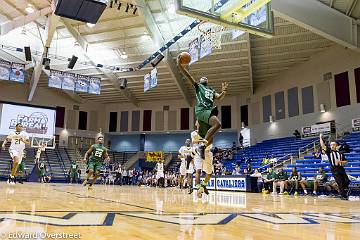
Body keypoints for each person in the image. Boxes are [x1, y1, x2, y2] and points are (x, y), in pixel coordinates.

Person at [177, 55, 228, 160]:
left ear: (207, 82)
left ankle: (196, 152)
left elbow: (219, 97)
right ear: (200, 82)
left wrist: (224, 91)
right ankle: (201, 146)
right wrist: (179, 65)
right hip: (202, 110)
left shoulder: (211, 90)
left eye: (205, 78)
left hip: (207, 111)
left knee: (211, 138)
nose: (204, 77)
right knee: (217, 124)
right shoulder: (198, 86)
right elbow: (188, 75)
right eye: (202, 78)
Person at [320, 133, 350, 200]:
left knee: (346, 181)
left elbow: (346, 161)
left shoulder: (340, 153)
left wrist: (341, 162)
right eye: (331, 145)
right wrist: (320, 138)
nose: (332, 146)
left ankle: (344, 192)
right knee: (340, 182)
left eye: (333, 144)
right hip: (334, 168)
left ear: (336, 145)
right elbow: (323, 145)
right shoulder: (329, 152)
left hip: (341, 168)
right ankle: (343, 195)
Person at [192, 121, 213, 198]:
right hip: (198, 152)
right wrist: (203, 141)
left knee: (210, 173)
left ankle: (203, 186)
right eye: (198, 121)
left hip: (207, 152)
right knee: (198, 170)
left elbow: (211, 141)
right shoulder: (194, 133)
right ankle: (198, 188)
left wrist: (205, 142)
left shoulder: (208, 131)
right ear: (196, 124)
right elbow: (194, 141)